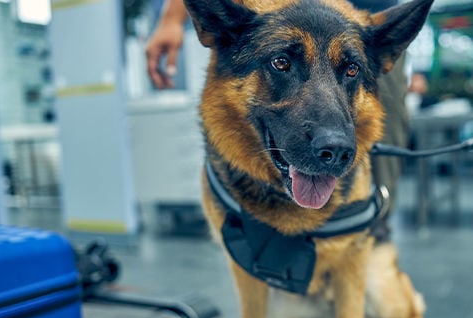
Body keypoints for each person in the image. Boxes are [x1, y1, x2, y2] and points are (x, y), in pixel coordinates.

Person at [146, 0, 409, 241]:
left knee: (385, 135)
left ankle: (372, 236)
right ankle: (260, 247)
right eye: (283, 63)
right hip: (275, 14)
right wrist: (171, 18)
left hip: (366, 18)